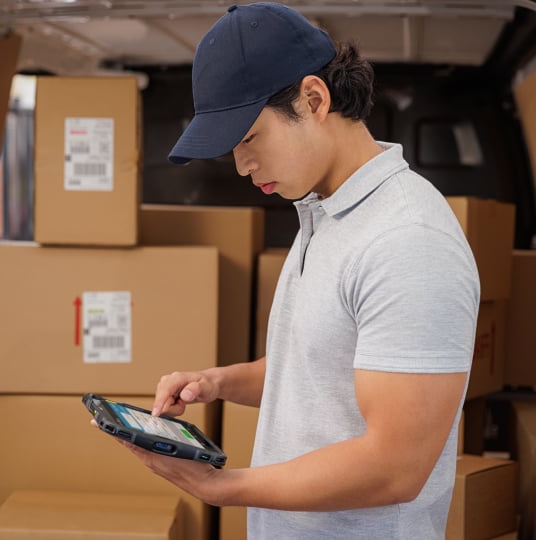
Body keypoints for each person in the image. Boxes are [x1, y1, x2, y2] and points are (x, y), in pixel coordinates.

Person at [115, 3, 480, 538]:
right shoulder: (322, 211)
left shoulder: (408, 241)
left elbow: (396, 467)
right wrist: (217, 383)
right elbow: (319, 370)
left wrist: (224, 488)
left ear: (313, 99)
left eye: (249, 138)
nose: (241, 166)